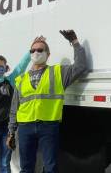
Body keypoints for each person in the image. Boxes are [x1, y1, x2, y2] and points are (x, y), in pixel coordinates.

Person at [7, 30, 87, 173]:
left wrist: (75, 42)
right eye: (32, 50)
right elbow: (14, 108)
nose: (36, 52)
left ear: (47, 54)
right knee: (26, 168)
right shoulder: (21, 79)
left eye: (40, 50)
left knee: (51, 167)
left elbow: (80, 67)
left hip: (48, 126)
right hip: (25, 127)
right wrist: (11, 132)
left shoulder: (58, 72)